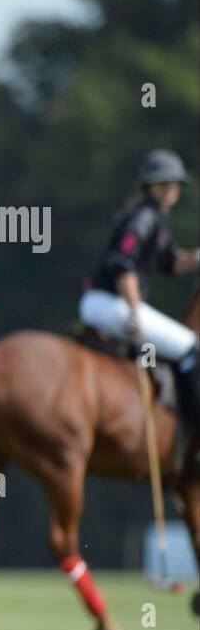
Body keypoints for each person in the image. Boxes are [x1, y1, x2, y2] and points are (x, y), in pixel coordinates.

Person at [80, 148, 200, 430]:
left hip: (106, 303)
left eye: (175, 184)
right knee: (192, 350)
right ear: (150, 185)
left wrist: (196, 257)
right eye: (164, 183)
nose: (171, 189)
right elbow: (123, 266)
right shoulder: (143, 217)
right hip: (112, 303)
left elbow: (169, 262)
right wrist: (134, 311)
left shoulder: (156, 217)